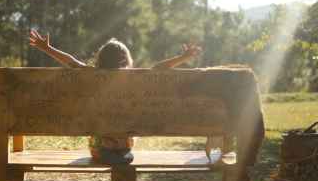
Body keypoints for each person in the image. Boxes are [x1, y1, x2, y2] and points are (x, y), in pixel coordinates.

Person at [29, 29, 201, 164]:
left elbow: (72, 62)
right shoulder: (134, 78)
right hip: (123, 148)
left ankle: (109, 149)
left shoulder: (92, 74)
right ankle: (119, 151)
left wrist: (47, 48)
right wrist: (183, 57)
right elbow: (158, 68)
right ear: (127, 60)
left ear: (100, 59)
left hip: (98, 150)